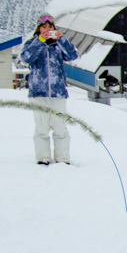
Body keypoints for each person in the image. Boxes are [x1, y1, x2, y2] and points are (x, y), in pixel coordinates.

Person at [19, 15, 78, 165]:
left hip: (58, 93)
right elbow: (26, 58)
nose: (47, 30)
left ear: (54, 28)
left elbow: (72, 55)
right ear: (38, 29)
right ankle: (43, 157)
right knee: (41, 127)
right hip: (38, 93)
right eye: (43, 28)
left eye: (49, 27)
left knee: (60, 127)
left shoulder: (58, 45)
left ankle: (63, 158)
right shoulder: (32, 43)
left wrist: (62, 39)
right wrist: (39, 42)